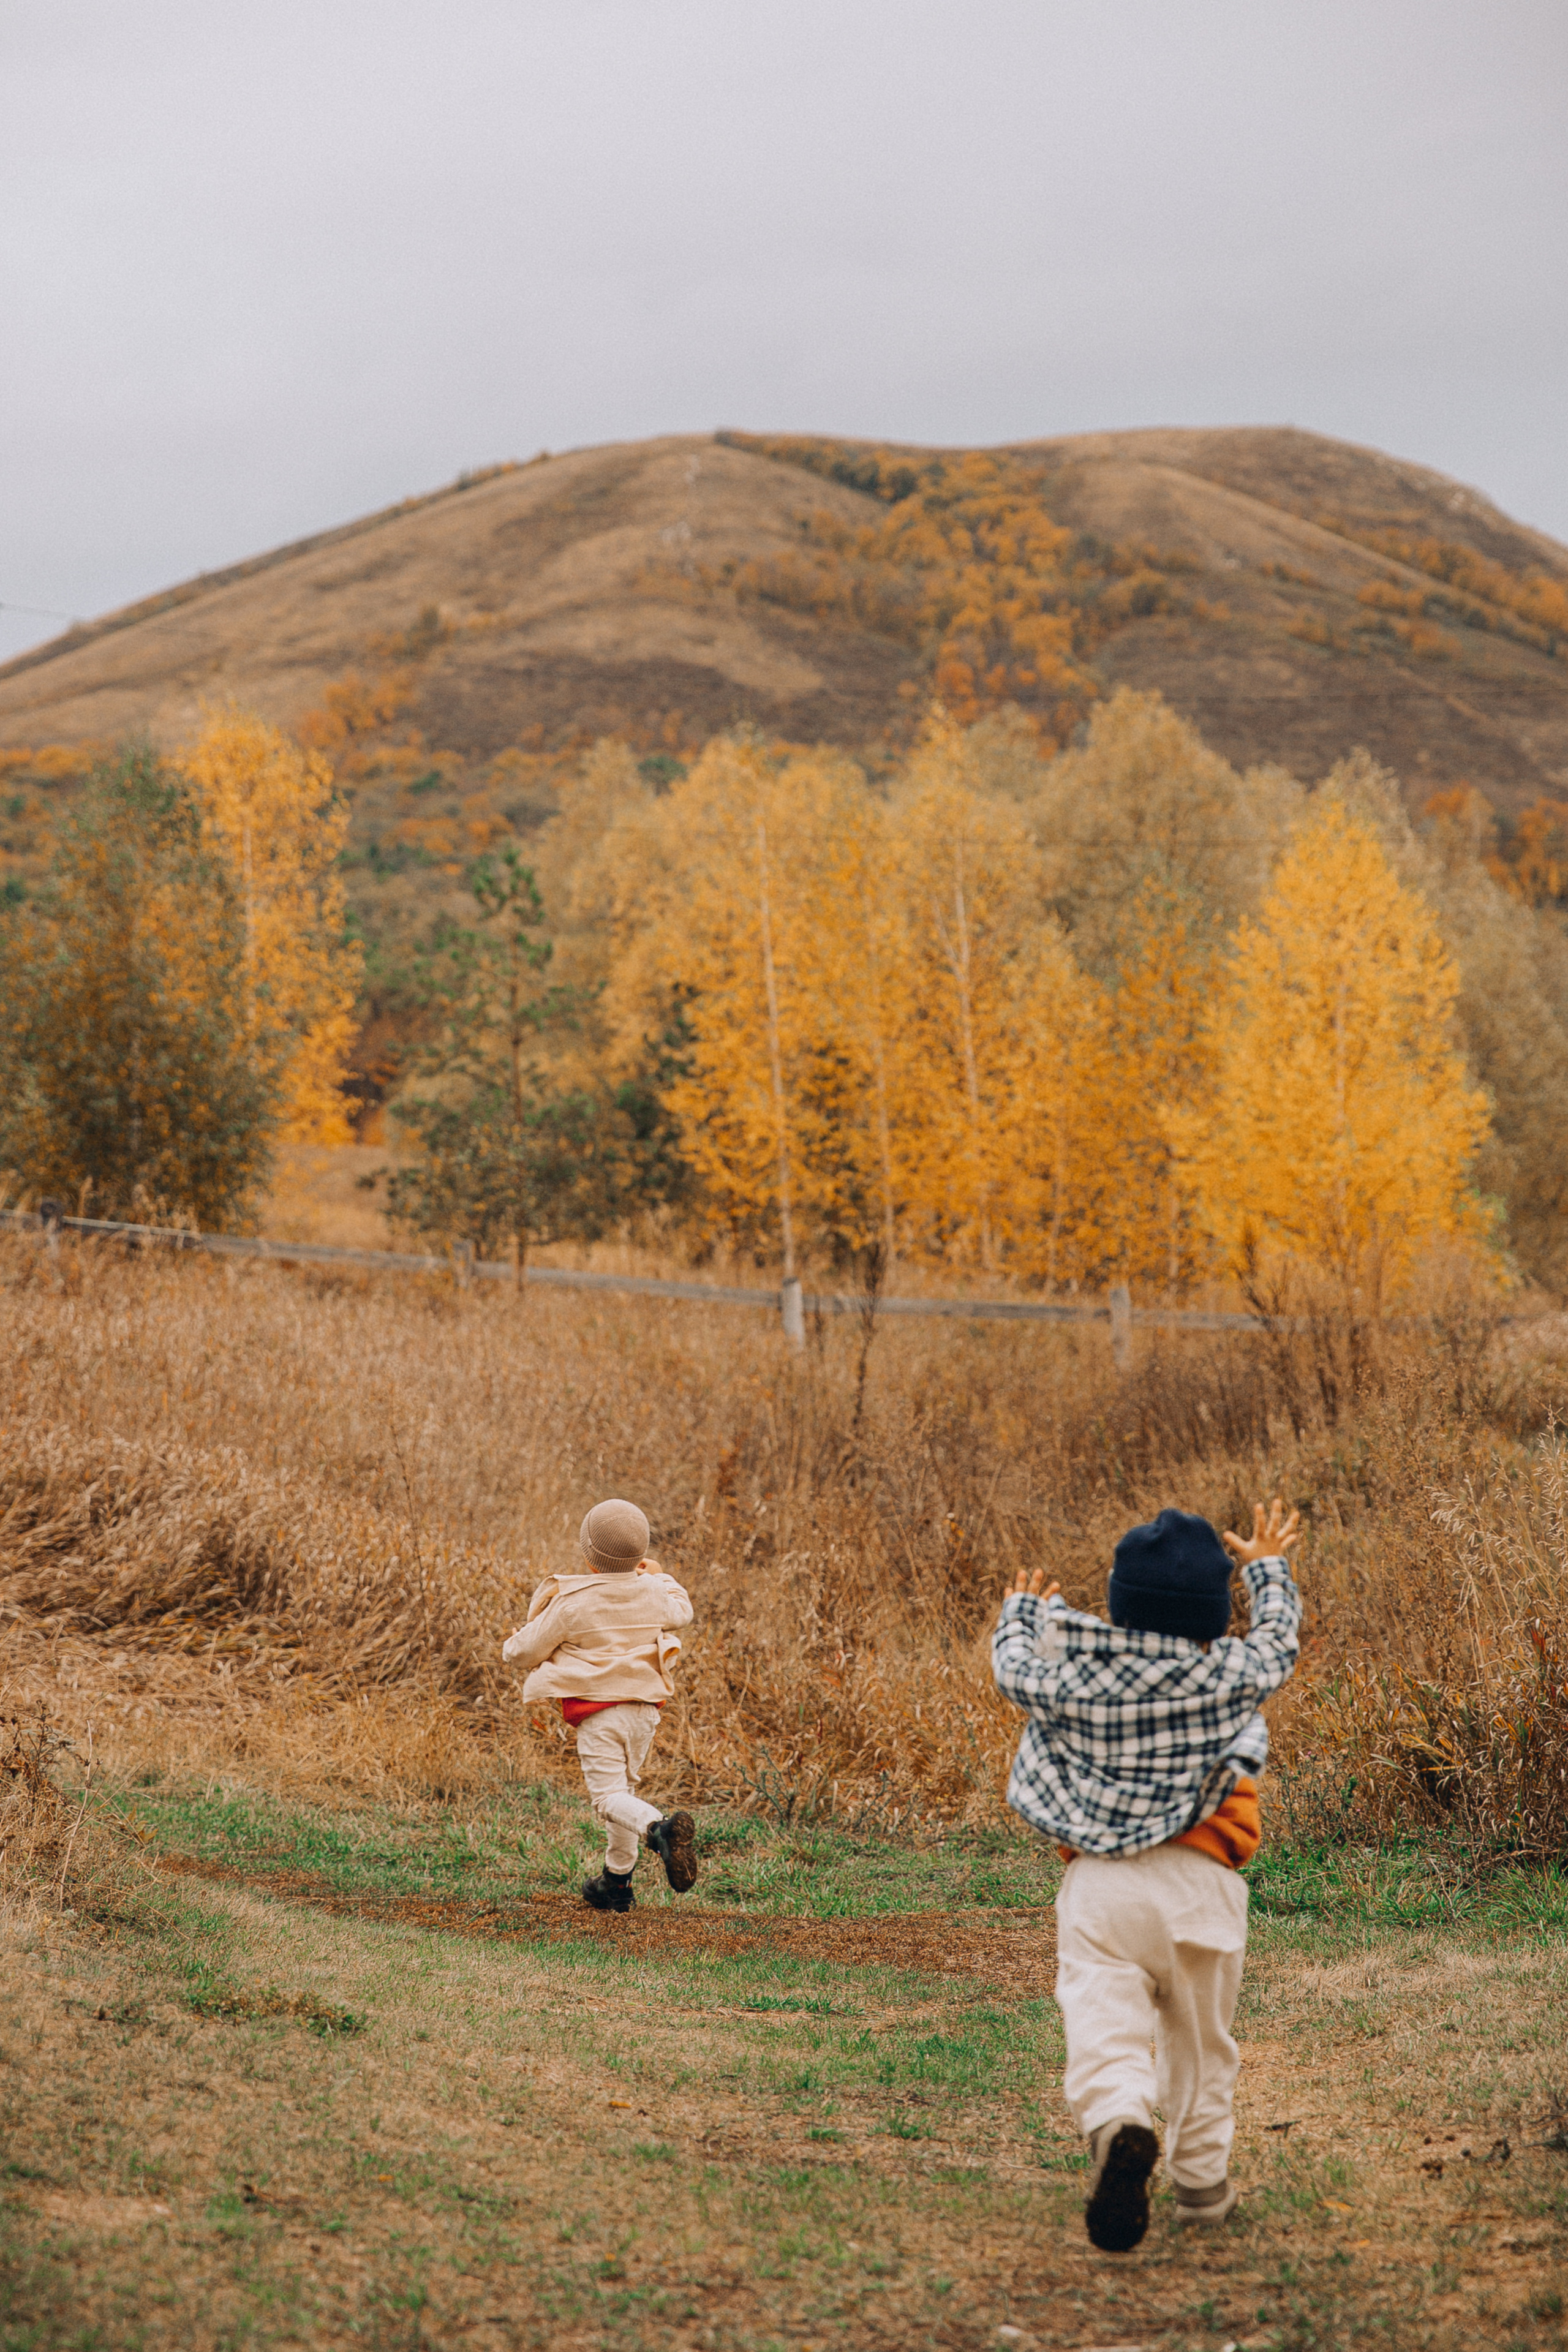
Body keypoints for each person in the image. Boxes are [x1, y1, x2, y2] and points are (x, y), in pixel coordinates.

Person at [992, 1497, 1302, 2253]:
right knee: (1201, 2045)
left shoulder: (1074, 1675)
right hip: (1204, 1884)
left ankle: (1119, 2122)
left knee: (1103, 2022)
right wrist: (1267, 1570)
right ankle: (1201, 2185)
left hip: (1101, 1888)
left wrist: (1021, 1615)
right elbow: (1277, 1643)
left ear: (1119, 1605)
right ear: (1212, 1619)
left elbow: (1013, 1670)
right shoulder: (1226, 1673)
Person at [503, 1497, 699, 1912]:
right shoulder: (653, 1592)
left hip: (599, 1714)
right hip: (644, 1713)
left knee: (608, 1797)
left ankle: (659, 1830)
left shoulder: (573, 1602)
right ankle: (617, 1882)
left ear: (588, 1556)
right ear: (641, 1552)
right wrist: (661, 1576)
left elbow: (524, 1652)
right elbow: (683, 1611)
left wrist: (511, 1646)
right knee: (623, 1793)